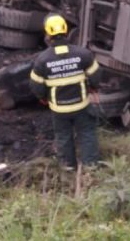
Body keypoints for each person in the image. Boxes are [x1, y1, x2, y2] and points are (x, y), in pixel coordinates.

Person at [29, 14, 101, 170]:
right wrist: (93, 87)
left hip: (59, 109)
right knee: (87, 133)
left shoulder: (42, 60)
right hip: (81, 105)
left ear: (48, 34)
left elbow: (36, 86)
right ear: (66, 31)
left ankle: (68, 166)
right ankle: (91, 165)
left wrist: (43, 98)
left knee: (63, 136)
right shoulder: (83, 54)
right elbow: (95, 77)